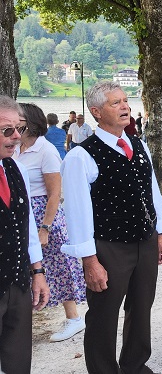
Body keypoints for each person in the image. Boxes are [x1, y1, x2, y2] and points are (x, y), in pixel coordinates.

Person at [60, 81, 162, 374]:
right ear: (96, 112)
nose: (125, 106)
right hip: (108, 246)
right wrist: (90, 261)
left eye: (125, 100)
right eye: (115, 103)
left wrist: (159, 234)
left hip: (144, 241)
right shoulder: (80, 156)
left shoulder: (139, 144)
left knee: (141, 306)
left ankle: (135, 365)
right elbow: (77, 213)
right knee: (103, 315)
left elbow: (152, 194)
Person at [14, 104, 87, 342]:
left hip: (44, 213)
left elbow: (55, 193)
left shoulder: (45, 151)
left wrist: (45, 227)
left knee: (59, 266)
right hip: (22, 211)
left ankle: (74, 319)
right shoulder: (15, 148)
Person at [0, 96, 49, 374]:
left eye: (18, 129)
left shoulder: (15, 168)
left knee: (18, 362)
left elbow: (26, 224)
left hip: (17, 283)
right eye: (7, 130)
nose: (17, 136)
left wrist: (38, 272)